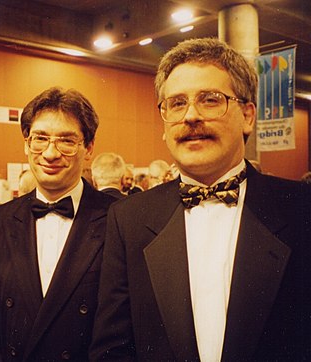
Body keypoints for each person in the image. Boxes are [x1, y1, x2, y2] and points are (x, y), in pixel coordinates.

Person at [90, 37, 311, 361]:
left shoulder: (301, 209)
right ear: (165, 124)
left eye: (209, 100)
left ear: (248, 115)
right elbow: (112, 348)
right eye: (177, 103)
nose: (191, 116)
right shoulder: (129, 219)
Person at [0, 87, 116, 360]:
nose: (50, 153)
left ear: (89, 148)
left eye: (66, 141)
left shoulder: (117, 218)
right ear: (26, 144)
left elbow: (122, 328)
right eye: (40, 139)